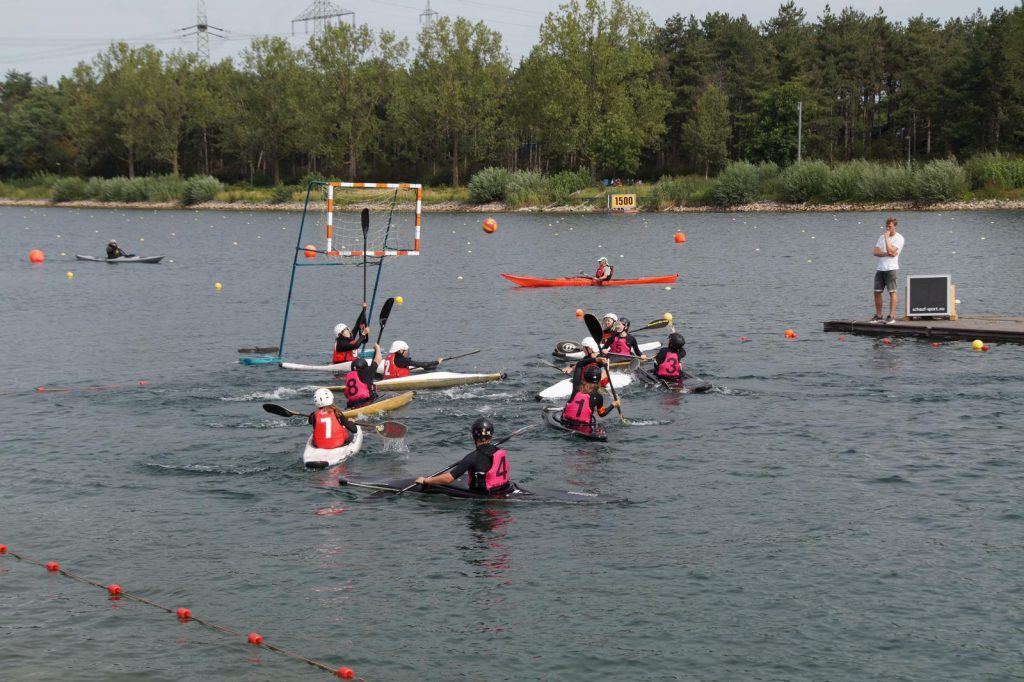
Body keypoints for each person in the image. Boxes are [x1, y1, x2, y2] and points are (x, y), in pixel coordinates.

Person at [415, 417, 512, 495]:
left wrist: (426, 480)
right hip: (504, 488)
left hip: (486, 497)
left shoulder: (472, 457)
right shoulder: (498, 451)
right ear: (491, 436)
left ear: (473, 436)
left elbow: (449, 479)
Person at [560, 365, 619, 433]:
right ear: (599, 379)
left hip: (566, 422)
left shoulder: (576, 389)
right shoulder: (598, 396)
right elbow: (602, 413)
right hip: (584, 427)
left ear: (585, 377)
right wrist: (613, 405)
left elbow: (580, 364)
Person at [871, 217, 905, 324]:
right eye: (887, 226)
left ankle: (891, 316)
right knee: (877, 292)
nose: (888, 228)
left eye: (890, 226)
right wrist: (886, 254)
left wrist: (887, 239)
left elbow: (892, 250)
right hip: (880, 268)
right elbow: (876, 252)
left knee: (892, 291)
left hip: (891, 268)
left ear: (895, 226)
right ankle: (879, 315)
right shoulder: (881, 237)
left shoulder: (899, 238)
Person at [343, 343, 382, 409]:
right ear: (365, 366)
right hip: (367, 401)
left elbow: (346, 394)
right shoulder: (367, 371)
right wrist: (377, 348)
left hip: (352, 404)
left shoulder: (349, 375)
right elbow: (378, 360)